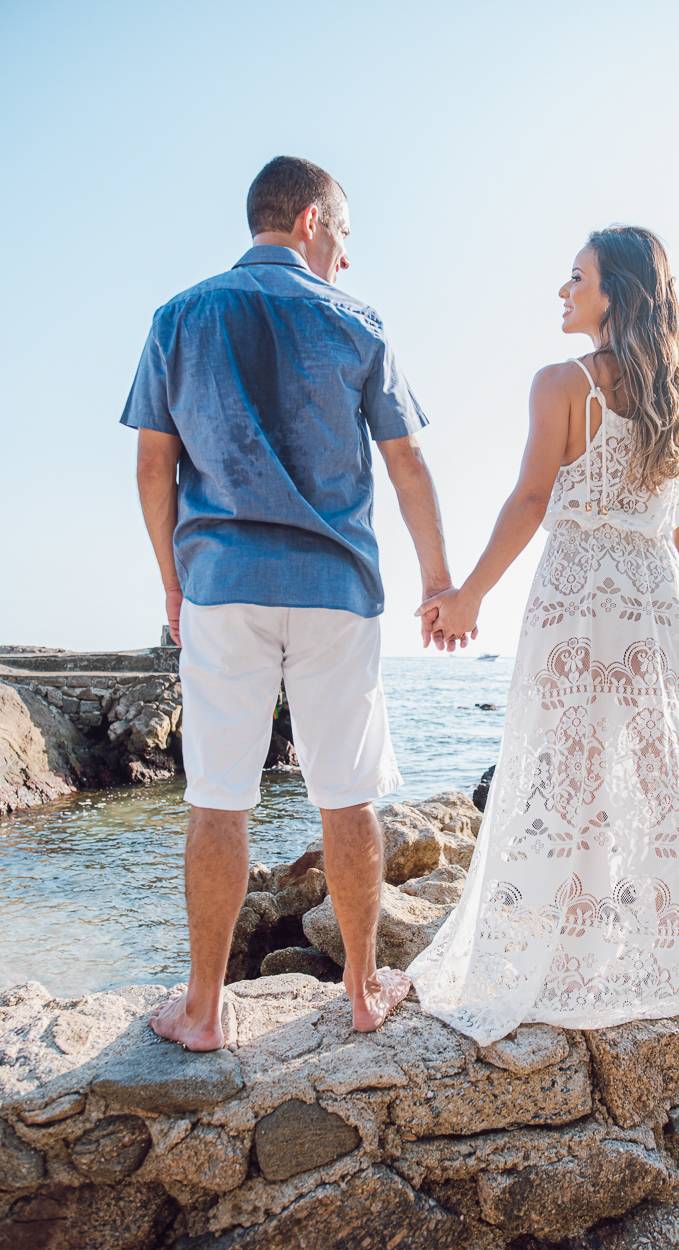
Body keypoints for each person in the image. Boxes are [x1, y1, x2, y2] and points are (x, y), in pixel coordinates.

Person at [122, 156, 457, 1047]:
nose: (345, 256)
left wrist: (171, 580)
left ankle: (201, 1007)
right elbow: (408, 463)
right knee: (346, 798)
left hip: (222, 587)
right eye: (343, 234)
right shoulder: (357, 321)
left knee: (218, 800)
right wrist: (437, 582)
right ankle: (357, 991)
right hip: (334, 591)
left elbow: (155, 465)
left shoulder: (178, 317)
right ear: (310, 219)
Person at [410, 226, 679, 1046]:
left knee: (564, 771)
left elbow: (532, 501)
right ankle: (666, 950)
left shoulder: (562, 383)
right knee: (651, 777)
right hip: (656, 598)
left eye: (578, 278)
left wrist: (465, 598)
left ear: (617, 295)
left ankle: (558, 956)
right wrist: (674, 632)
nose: (563, 292)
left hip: (579, 594)